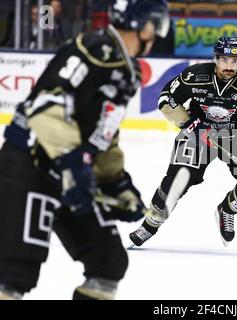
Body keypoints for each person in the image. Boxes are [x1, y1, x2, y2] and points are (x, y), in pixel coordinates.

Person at [0, 0, 170, 300]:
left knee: (109, 263)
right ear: (140, 24)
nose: (157, 32)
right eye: (154, 23)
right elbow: (47, 107)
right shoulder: (94, 48)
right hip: (30, 164)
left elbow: (103, 134)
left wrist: (116, 183)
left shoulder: (127, 71)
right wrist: (73, 165)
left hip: (69, 169)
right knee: (14, 273)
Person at [129, 35, 237, 248]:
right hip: (197, 135)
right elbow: (165, 98)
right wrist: (187, 122)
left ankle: (227, 209)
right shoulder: (194, 75)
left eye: (235, 61)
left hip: (235, 137)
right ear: (216, 59)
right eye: (225, 60)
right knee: (175, 182)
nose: (229, 66)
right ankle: (149, 225)